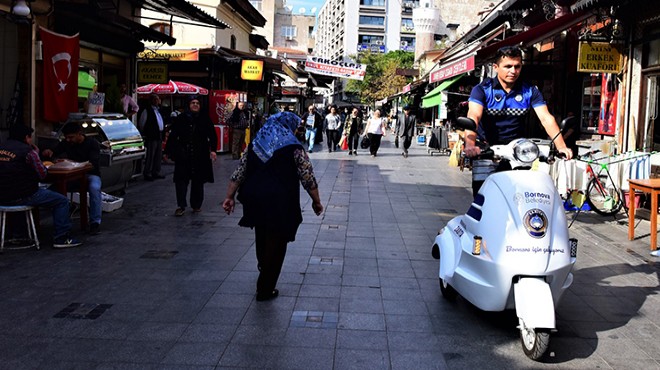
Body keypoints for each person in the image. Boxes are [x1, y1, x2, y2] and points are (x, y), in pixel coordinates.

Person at [222, 112, 324, 302]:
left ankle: (263, 265)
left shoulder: (255, 144)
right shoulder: (294, 148)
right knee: (278, 242)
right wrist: (316, 201)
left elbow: (239, 172)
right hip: (281, 201)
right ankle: (265, 287)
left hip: (256, 199)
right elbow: (307, 176)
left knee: (262, 234)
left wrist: (229, 196)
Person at [463, 46, 573, 196]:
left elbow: (546, 118)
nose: (513, 71)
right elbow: (473, 116)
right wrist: (470, 145)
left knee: (520, 196)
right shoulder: (482, 89)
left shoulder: (529, 90)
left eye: (517, 66)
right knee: (483, 196)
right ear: (496, 67)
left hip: (518, 150)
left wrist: (561, 147)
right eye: (508, 66)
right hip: (486, 150)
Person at [0, 125, 82, 248]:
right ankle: (62, 237)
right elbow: (42, 174)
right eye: (30, 138)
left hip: (2, 197)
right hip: (25, 195)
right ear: (26, 137)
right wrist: (37, 155)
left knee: (15, 195)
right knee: (62, 201)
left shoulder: (1, 147)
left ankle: (17, 234)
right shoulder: (29, 152)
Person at [42, 122, 102, 235]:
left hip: (90, 174)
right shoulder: (66, 143)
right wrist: (49, 152)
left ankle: (95, 222)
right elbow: (55, 151)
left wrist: (73, 163)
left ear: (79, 134)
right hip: (71, 175)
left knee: (94, 188)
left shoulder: (92, 143)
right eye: (67, 138)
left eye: (71, 137)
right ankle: (62, 222)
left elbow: (92, 163)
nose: (68, 140)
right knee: (53, 190)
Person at [164, 96, 217, 217]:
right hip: (184, 154)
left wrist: (213, 150)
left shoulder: (204, 119)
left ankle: (196, 205)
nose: (195, 105)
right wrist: (168, 151)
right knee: (181, 181)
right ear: (188, 105)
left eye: (197, 103)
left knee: (198, 181)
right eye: (193, 103)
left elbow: (212, 135)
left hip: (200, 154)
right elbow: (173, 135)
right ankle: (181, 205)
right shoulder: (181, 119)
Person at [138, 93, 166, 181]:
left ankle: (156, 171)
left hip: (159, 134)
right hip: (152, 135)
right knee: (151, 155)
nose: (158, 101)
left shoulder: (159, 110)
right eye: (156, 99)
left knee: (158, 154)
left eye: (158, 99)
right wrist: (146, 133)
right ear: (152, 101)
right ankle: (148, 172)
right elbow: (142, 123)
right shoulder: (147, 110)